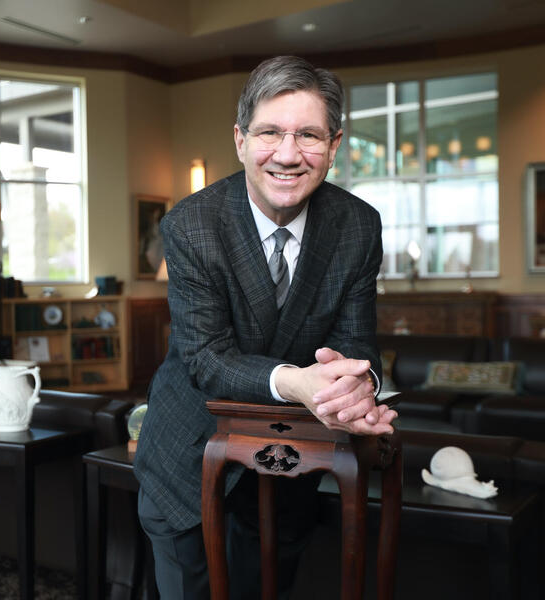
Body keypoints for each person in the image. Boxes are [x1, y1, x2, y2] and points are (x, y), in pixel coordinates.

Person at [133, 55, 398, 600]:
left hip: (293, 453)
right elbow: (206, 357)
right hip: (189, 447)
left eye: (308, 135)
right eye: (269, 132)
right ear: (240, 140)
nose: (287, 154)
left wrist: (357, 388)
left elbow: (356, 343)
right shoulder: (191, 225)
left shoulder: (357, 225)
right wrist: (299, 383)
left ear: (334, 145)